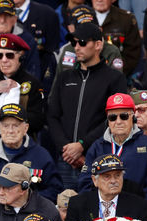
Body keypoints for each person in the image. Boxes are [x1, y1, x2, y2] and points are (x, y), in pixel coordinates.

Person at [46, 22, 127, 190]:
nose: (77, 47)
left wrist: (83, 145)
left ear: (98, 45)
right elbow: (52, 115)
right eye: (74, 43)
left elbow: (114, 118)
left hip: (98, 156)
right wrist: (67, 149)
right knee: (65, 209)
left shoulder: (114, 78)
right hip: (65, 159)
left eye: (82, 42)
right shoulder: (64, 77)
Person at [78, 93, 147, 210]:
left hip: (136, 213)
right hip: (101, 212)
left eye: (124, 116)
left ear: (133, 118)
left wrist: (137, 209)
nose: (118, 121)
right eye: (113, 117)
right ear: (108, 120)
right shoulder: (97, 147)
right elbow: (85, 183)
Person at [0, 103, 61, 203]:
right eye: (6, 126)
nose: (10, 131)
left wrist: (27, 202)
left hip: (29, 215)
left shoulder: (41, 156)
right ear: (0, 128)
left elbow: (54, 190)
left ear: (25, 128)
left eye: (15, 126)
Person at [65, 154, 147, 221]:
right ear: (95, 180)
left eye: (117, 175)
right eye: (107, 176)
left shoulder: (139, 205)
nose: (113, 181)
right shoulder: (77, 204)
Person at [91, 0, 141, 78]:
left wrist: (115, 75)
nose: (99, 0)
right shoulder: (82, 18)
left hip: (117, 77)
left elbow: (132, 55)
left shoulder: (126, 19)